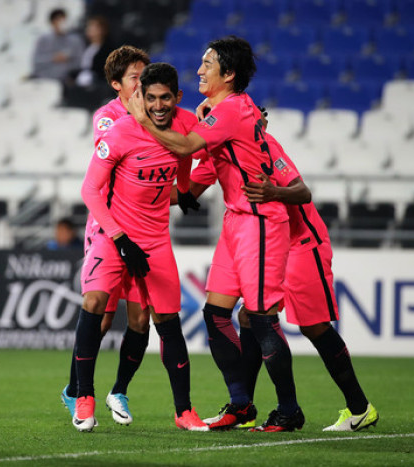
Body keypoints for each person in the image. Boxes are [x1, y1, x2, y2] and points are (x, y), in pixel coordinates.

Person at [128, 36, 303, 432]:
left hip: (260, 221)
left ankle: (290, 409)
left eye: (208, 64)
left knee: (261, 318)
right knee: (215, 313)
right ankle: (241, 403)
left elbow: (188, 143)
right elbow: (196, 175)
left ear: (229, 73)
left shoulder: (232, 112)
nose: (199, 69)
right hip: (236, 221)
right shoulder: (229, 112)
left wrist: (142, 121)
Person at [184, 111, 380, 432]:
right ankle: (242, 407)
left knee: (313, 327)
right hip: (270, 243)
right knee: (251, 316)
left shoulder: (265, 146)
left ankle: (359, 408)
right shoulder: (219, 154)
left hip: (302, 242)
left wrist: (273, 192)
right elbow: (187, 193)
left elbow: (302, 192)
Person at [73, 63, 207, 432]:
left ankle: (184, 412)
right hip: (112, 234)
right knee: (94, 303)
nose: (159, 105)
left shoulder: (185, 124)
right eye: (151, 98)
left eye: (166, 98)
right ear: (140, 98)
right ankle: (84, 398)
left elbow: (187, 156)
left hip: (155, 240)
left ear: (178, 98)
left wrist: (183, 189)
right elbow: (89, 190)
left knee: (167, 321)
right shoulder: (119, 132)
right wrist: (118, 237)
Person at [61, 45, 155, 426]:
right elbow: (113, 148)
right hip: (107, 226)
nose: (142, 84)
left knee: (140, 318)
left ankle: (120, 391)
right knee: (98, 309)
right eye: (135, 77)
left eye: (145, 76)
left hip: (145, 231)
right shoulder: (108, 116)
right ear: (117, 84)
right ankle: (78, 392)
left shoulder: (157, 114)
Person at [62, 16, 114, 110]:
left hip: (97, 85)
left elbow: (103, 70)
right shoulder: (87, 47)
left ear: (102, 30)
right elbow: (82, 67)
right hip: (82, 82)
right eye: (88, 27)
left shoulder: (108, 50)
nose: (89, 29)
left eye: (93, 27)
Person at [32, 8, 84, 81]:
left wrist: (68, 61)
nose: (61, 23)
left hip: (67, 80)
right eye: (58, 20)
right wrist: (53, 58)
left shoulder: (75, 40)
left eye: (63, 20)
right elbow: (36, 61)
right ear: (52, 22)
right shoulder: (43, 39)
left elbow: (80, 63)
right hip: (45, 79)